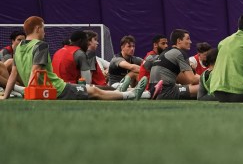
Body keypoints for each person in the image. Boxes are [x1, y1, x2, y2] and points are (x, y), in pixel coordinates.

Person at [1, 16, 142, 101]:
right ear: (38, 28)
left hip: (43, 89)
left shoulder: (18, 48)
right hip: (56, 89)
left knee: (93, 89)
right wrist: (35, 95)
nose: (44, 31)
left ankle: (127, 91)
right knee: (94, 91)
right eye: (43, 28)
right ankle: (129, 95)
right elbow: (35, 70)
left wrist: (6, 96)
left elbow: (14, 74)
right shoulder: (41, 45)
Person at [146, 28, 201, 100]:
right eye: (187, 39)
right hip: (167, 91)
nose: (190, 42)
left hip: (152, 89)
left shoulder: (165, 52)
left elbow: (184, 81)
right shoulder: (180, 53)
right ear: (179, 41)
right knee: (203, 88)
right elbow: (192, 80)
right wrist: (209, 78)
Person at [0, 30, 26, 95]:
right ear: (13, 41)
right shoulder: (5, 52)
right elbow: (7, 70)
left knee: (18, 83)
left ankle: (10, 88)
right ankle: (10, 88)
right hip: (8, 76)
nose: (21, 42)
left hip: (18, 78)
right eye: (19, 40)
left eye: (23, 40)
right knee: (10, 61)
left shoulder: (25, 52)